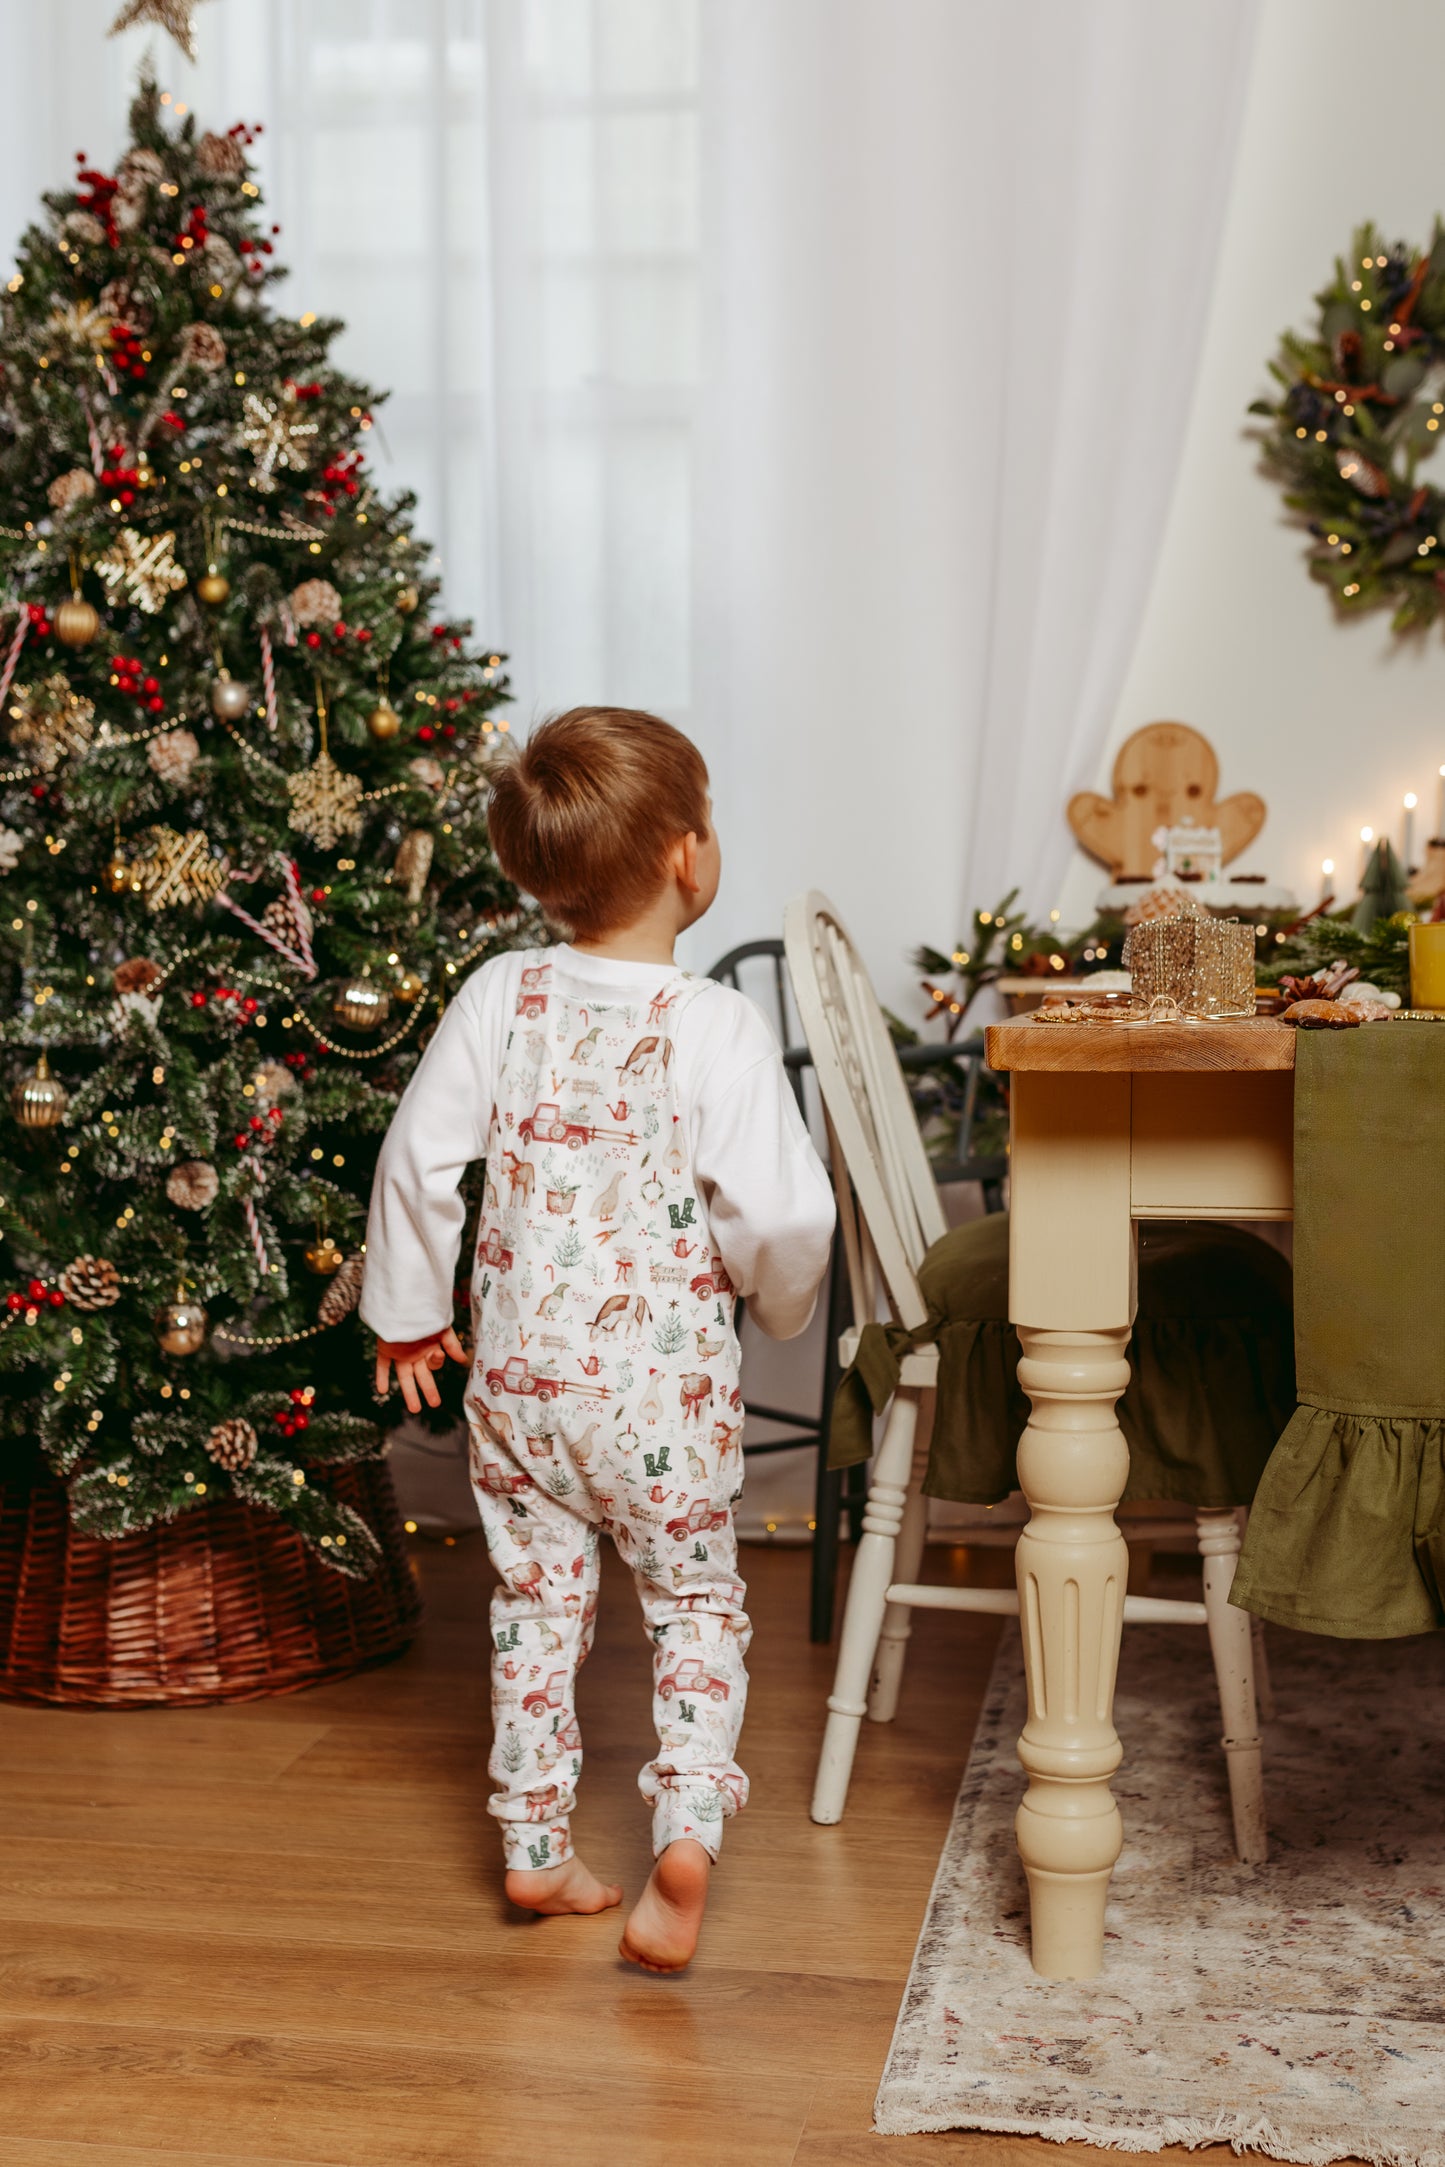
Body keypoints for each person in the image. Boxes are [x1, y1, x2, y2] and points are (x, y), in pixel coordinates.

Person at [362, 707, 835, 1972]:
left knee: (532, 1604)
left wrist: (410, 1307)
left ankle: (534, 1845)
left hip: (518, 1390)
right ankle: (680, 1837)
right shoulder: (713, 1025)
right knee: (692, 1605)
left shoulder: (498, 993)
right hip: (661, 1402)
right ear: (690, 857)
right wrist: (777, 1306)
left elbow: (419, 1160)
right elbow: (785, 1213)